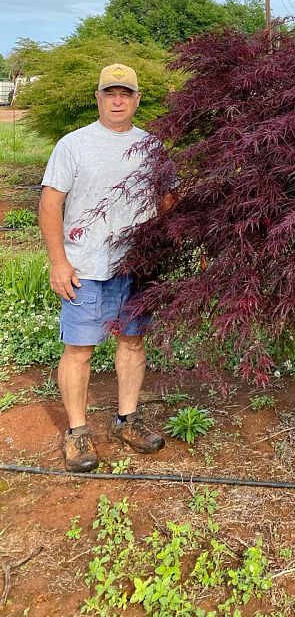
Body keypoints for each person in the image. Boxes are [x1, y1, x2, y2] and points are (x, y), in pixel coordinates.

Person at [39, 63, 174, 473]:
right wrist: (58, 262)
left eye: (126, 93)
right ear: (98, 98)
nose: (118, 100)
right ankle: (77, 432)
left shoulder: (153, 147)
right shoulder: (74, 145)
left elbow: (168, 202)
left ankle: (127, 420)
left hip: (137, 266)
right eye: (110, 93)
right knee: (79, 349)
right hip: (87, 265)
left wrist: (164, 249)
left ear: (137, 100)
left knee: (132, 342)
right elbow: (49, 204)